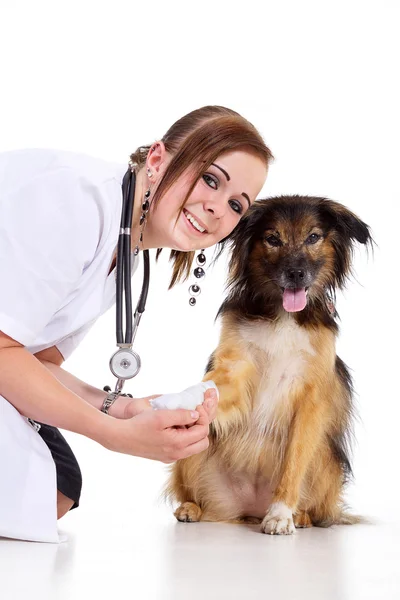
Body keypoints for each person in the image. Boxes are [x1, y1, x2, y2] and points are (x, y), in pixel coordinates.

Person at [0, 105, 273, 542]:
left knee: (58, 487)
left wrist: (123, 408)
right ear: (159, 158)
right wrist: (114, 435)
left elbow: (35, 360)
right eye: (211, 179)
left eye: (236, 204)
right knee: (31, 491)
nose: (217, 208)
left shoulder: (125, 251)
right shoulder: (79, 200)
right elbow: (3, 351)